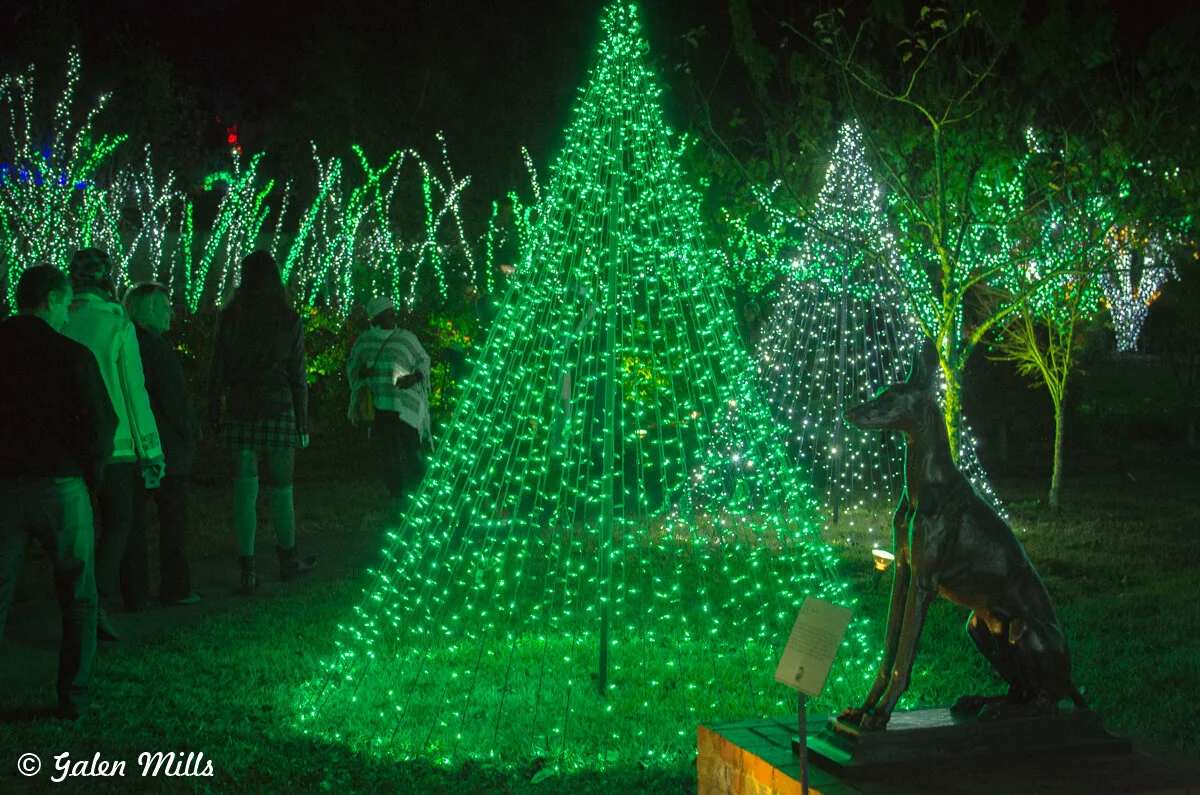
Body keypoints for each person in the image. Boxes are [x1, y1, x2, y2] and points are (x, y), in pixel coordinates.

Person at [0, 264, 117, 719]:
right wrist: (90, 472)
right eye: (66, 304)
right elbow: (99, 424)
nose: (68, 315)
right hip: (60, 486)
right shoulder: (70, 355)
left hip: (4, 486)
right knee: (78, 594)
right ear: (51, 299)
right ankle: (76, 694)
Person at [62, 248, 165, 640]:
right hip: (118, 446)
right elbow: (133, 389)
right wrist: (151, 451)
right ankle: (96, 600)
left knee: (78, 527)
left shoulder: (58, 319)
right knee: (119, 522)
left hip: (69, 447)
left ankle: (74, 597)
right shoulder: (116, 321)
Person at [207, 251, 315, 594]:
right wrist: (302, 420)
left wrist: (213, 410)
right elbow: (298, 376)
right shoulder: (288, 320)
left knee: (244, 493)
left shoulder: (231, 320)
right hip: (279, 410)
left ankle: (248, 569)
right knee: (283, 491)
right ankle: (288, 559)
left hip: (241, 410)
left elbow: (216, 371)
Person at [123, 282, 203, 607]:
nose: (171, 311)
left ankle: (134, 591)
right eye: (165, 305)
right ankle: (175, 586)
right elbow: (174, 400)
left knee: (132, 522)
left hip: (133, 446)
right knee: (172, 520)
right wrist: (192, 432)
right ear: (148, 309)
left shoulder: (128, 344)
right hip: (166, 447)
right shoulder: (157, 348)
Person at [346, 296, 431, 499]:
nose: (394, 316)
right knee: (389, 452)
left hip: (406, 406)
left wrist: (415, 377)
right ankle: (397, 494)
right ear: (376, 317)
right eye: (388, 313)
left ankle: (426, 491)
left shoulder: (406, 337)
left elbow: (423, 360)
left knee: (413, 449)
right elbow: (353, 365)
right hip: (382, 406)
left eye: (393, 312)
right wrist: (362, 373)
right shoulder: (365, 340)